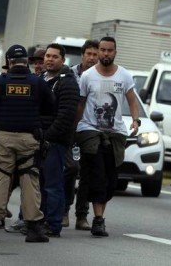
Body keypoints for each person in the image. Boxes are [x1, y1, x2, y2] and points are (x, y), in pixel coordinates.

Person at [0, 44, 54, 243]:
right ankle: (33, 229)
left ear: (9, 62)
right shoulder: (38, 83)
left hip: (3, 136)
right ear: (26, 62)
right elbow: (51, 108)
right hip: (29, 138)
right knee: (30, 181)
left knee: (1, 178)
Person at [75, 37, 140, 237]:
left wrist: (136, 121)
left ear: (114, 52)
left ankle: (97, 214)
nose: (105, 54)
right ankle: (98, 219)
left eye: (109, 50)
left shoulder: (124, 76)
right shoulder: (87, 76)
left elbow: (132, 100)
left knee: (111, 181)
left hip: (115, 133)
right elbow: (81, 103)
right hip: (90, 130)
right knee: (98, 175)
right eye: (102, 50)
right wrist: (73, 127)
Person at [37, 43, 80, 237]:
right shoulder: (40, 79)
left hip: (55, 142)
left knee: (53, 185)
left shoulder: (68, 82)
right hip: (37, 139)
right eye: (47, 56)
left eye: (54, 56)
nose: (49, 59)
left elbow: (66, 116)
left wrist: (48, 137)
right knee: (37, 183)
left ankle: (53, 224)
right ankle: (35, 219)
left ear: (63, 60)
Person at [66, 39, 99, 231]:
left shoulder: (100, 76)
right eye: (89, 54)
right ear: (83, 55)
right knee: (70, 169)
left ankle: (82, 215)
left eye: (95, 55)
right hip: (70, 128)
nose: (92, 58)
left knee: (87, 173)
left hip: (90, 130)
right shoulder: (70, 74)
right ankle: (63, 210)